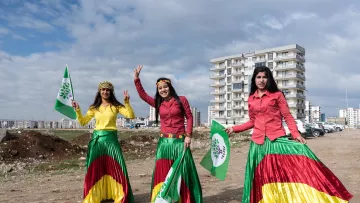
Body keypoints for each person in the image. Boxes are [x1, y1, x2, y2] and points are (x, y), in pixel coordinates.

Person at [225, 66, 353, 203]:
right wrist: (234, 128)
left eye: (264, 77)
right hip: (257, 145)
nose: (261, 80)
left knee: (281, 175)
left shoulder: (277, 95)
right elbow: (252, 121)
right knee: (261, 177)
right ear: (254, 79)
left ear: (268, 79)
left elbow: (287, 116)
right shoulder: (251, 98)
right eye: (258, 77)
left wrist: (296, 134)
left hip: (276, 141)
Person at [133, 65, 203, 203]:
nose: (163, 90)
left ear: (170, 87)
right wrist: (136, 79)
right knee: (163, 173)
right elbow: (143, 96)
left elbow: (189, 117)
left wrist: (188, 135)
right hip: (164, 144)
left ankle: (184, 199)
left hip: (179, 142)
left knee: (182, 172)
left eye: (165, 87)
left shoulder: (181, 100)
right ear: (158, 91)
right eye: (160, 88)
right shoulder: (158, 103)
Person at [72, 81, 135, 203]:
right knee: (96, 169)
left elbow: (130, 115)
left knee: (117, 168)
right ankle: (96, 195)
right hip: (98, 142)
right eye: (103, 89)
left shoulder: (116, 106)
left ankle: (119, 194)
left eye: (108, 90)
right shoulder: (94, 108)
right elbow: (83, 122)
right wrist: (78, 110)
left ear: (111, 92)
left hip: (112, 141)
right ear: (99, 91)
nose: (105, 92)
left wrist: (127, 102)